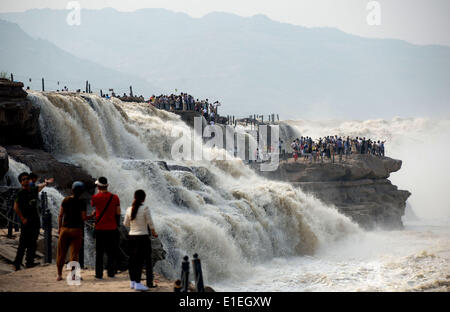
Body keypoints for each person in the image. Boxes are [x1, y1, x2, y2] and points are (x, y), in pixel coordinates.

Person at [12, 172, 54, 271]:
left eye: (27, 178)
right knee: (23, 243)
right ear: (21, 182)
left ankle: (29, 262)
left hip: (35, 220)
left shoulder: (33, 190)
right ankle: (17, 263)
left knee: (33, 242)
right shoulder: (20, 193)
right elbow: (15, 207)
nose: (26, 180)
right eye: (23, 179)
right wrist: (22, 218)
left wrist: (46, 183)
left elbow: (40, 187)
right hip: (26, 221)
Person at [124, 190, 158, 291]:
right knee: (140, 261)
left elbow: (126, 223)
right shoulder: (145, 208)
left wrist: (134, 225)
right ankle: (138, 283)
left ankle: (132, 282)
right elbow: (150, 223)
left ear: (134, 197)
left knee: (132, 260)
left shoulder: (129, 209)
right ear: (143, 198)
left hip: (131, 237)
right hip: (142, 238)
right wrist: (154, 233)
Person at [56, 181, 91, 281]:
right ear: (82, 192)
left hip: (65, 229)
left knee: (61, 253)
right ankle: (73, 275)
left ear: (72, 190)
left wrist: (59, 228)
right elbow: (84, 218)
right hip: (76, 230)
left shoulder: (66, 200)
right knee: (74, 254)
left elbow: (60, 215)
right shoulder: (82, 202)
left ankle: (59, 275)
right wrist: (92, 215)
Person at [91, 177, 121, 279]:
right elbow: (118, 212)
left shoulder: (95, 198)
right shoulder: (115, 197)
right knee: (111, 252)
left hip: (99, 228)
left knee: (99, 252)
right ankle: (111, 273)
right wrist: (117, 225)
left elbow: (95, 209)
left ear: (98, 186)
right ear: (107, 185)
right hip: (112, 228)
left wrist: (94, 213)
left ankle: (99, 274)